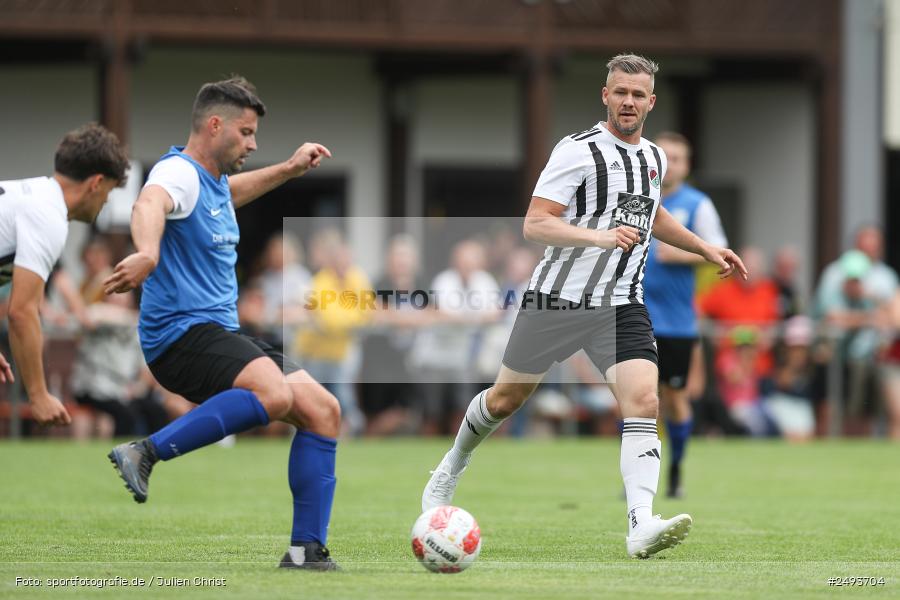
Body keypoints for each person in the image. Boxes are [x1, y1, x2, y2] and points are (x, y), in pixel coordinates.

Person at [420, 54, 747, 558]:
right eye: (621, 92)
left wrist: (705, 248)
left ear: (651, 102)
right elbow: (535, 224)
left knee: (644, 402)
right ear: (605, 95)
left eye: (639, 94)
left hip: (620, 303)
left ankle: (641, 524)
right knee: (506, 400)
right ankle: (451, 466)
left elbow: (654, 215)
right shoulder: (576, 151)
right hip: (556, 299)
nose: (629, 102)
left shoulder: (655, 159)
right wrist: (597, 237)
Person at [103, 76, 341, 570]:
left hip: (219, 333)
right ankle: (145, 451)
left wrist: (291, 169)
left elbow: (229, 191)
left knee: (323, 410)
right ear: (216, 125)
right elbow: (149, 202)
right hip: (180, 337)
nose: (253, 145)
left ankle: (305, 553)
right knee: (274, 395)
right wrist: (147, 252)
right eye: (247, 133)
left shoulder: (207, 184)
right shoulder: (179, 172)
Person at [0, 123, 128, 426]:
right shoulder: (48, 215)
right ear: (96, 183)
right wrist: (39, 395)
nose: (106, 202)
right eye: (109, 192)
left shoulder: (31, 197)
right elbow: (22, 311)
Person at [642, 131, 728, 498]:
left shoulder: (697, 204)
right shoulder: (636, 198)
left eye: (676, 158)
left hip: (676, 321)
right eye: (664, 156)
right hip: (634, 315)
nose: (669, 163)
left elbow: (719, 250)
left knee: (674, 398)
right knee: (637, 397)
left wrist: (681, 253)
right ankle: (639, 477)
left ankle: (675, 469)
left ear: (686, 165)